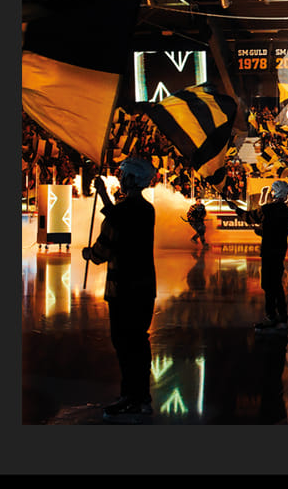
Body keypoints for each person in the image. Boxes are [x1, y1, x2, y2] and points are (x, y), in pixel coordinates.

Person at [82, 157, 157, 424]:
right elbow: (119, 219)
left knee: (126, 344)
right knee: (137, 342)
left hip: (124, 289)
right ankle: (140, 397)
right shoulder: (146, 210)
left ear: (132, 179)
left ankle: (131, 398)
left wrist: (89, 254)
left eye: (124, 176)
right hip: (144, 289)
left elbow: (105, 245)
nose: (121, 180)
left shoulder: (128, 211)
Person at [227, 180, 288, 331]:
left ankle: (271, 317)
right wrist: (262, 231)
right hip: (280, 251)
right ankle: (282, 315)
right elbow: (277, 230)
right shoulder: (287, 212)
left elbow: (249, 217)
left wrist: (236, 209)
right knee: (276, 284)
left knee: (268, 285)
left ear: (276, 192)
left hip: (269, 251)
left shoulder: (268, 209)